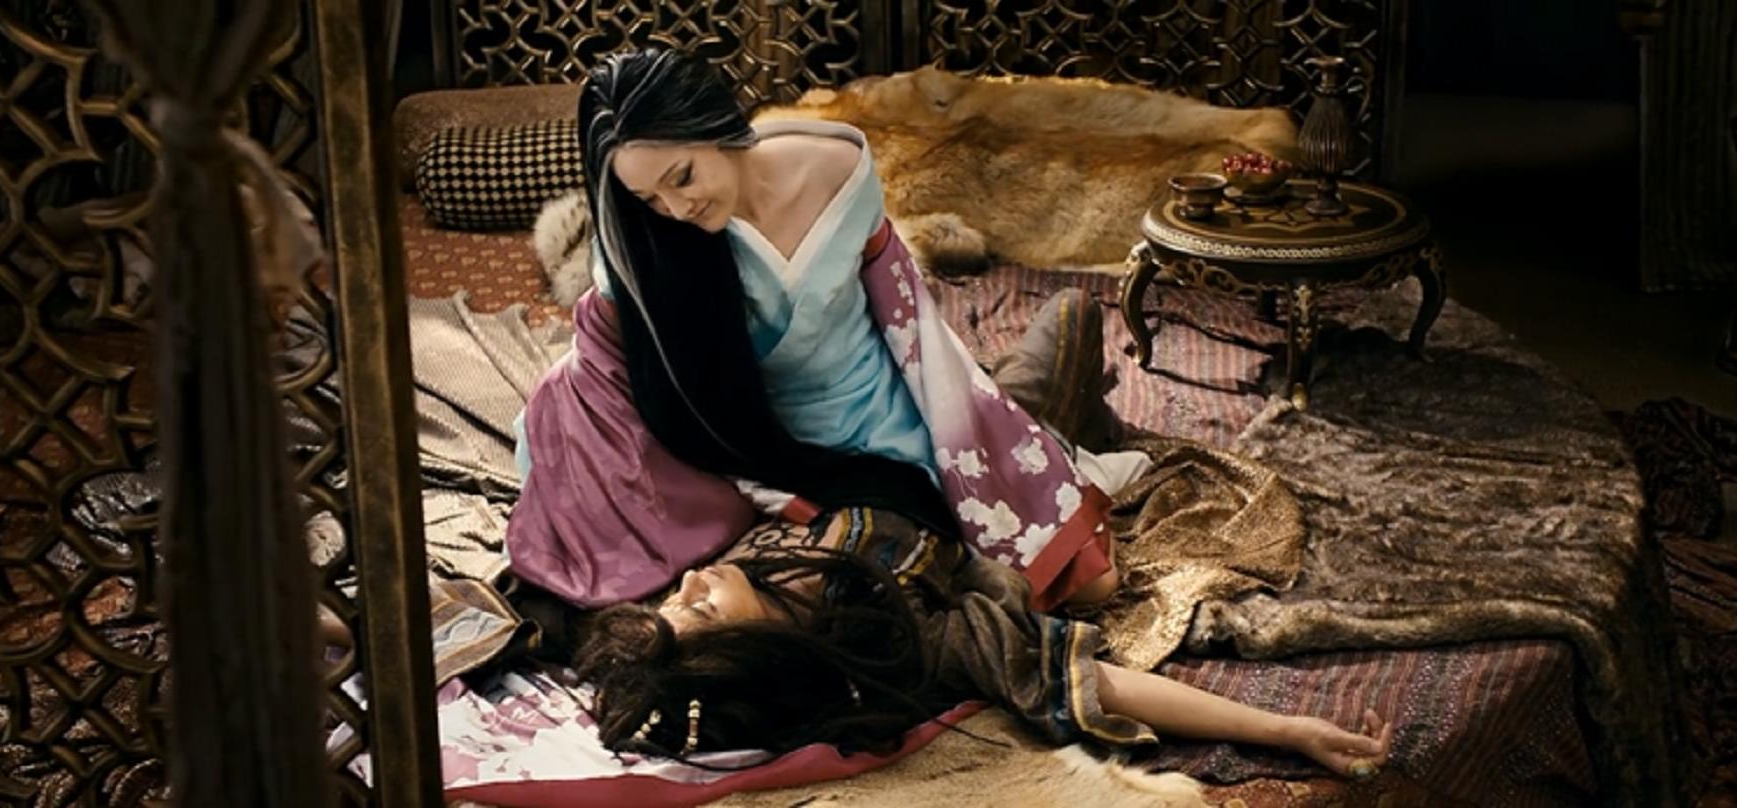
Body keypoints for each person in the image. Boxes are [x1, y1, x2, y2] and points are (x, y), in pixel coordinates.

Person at [505, 48, 1134, 614]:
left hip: (889, 407)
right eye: (648, 199)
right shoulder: (656, 250)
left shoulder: (835, 165)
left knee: (1091, 585)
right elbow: (609, 379)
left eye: (683, 176)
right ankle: (1049, 378)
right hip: (788, 452)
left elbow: (910, 319)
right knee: (899, 598)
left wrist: (977, 431)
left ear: (714, 125)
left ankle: (1046, 383)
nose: (675, 209)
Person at [573, 506, 1394, 780]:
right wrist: (1288, 729)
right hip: (1002, 500)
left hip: (900, 441)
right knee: (1056, 349)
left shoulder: (756, 571)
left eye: (676, 596)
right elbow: (1099, 683)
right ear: (762, 652)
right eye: (701, 608)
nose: (692, 581)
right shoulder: (915, 641)